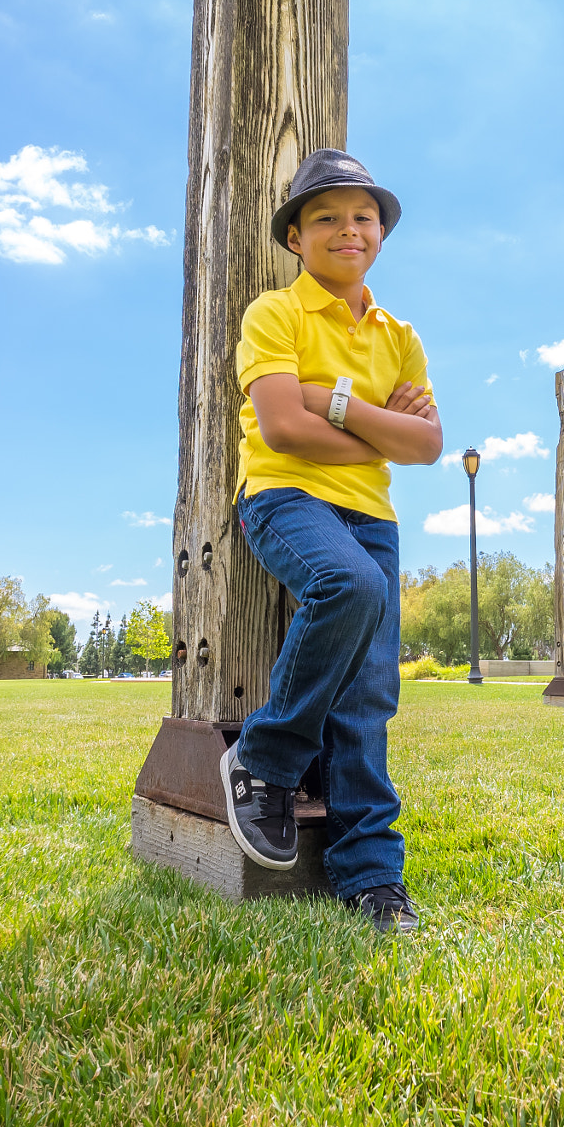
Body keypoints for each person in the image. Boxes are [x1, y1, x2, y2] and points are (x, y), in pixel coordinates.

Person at [221, 148, 442, 934]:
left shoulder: (400, 336)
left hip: (370, 517)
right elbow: (282, 426)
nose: (347, 228)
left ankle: (371, 876)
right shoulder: (272, 314)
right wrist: (384, 430)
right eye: (325, 217)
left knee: (371, 697)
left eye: (362, 215)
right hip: (283, 498)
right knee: (350, 586)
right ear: (295, 237)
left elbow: (429, 447)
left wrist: (337, 404)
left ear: (380, 231)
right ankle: (264, 761)